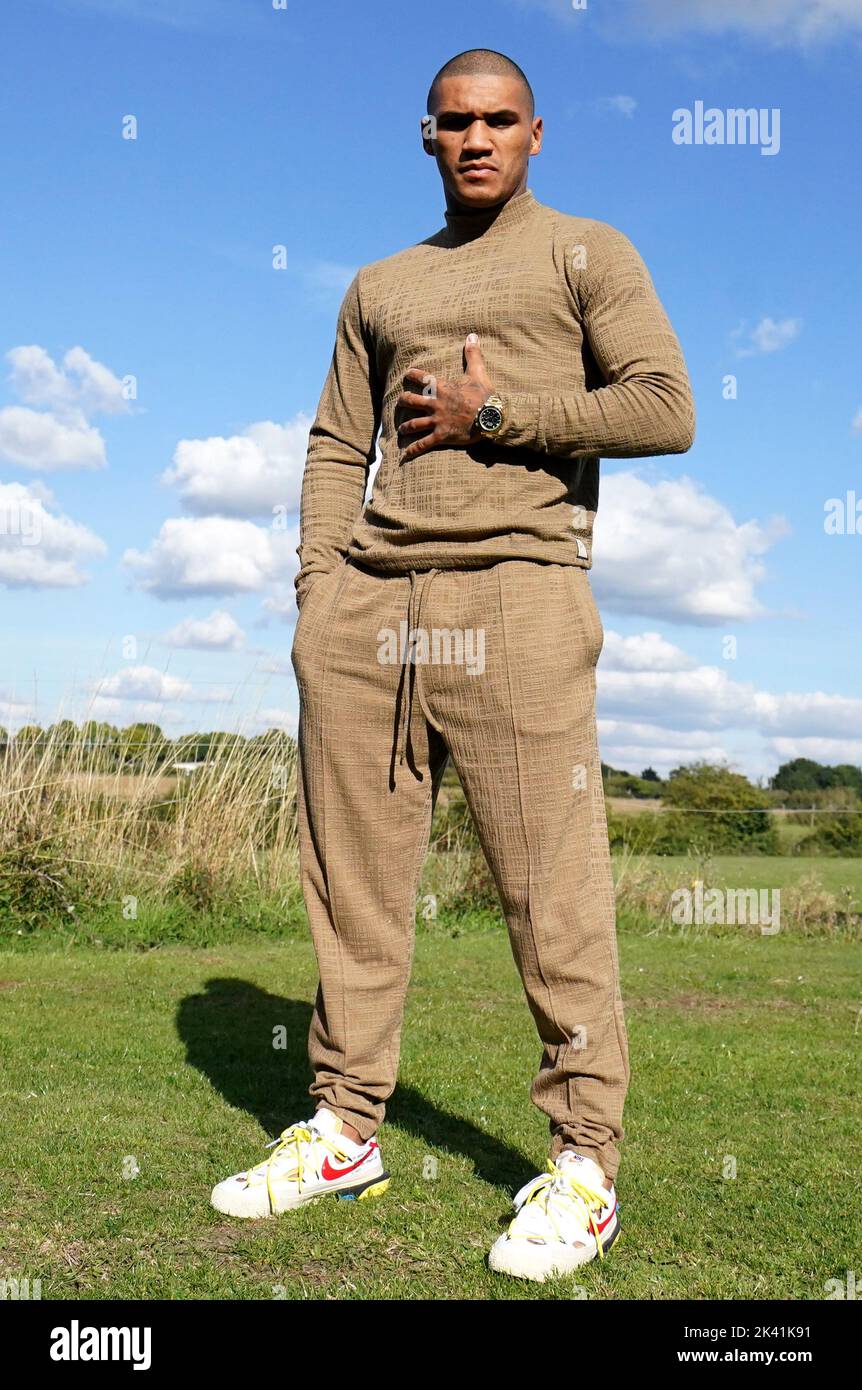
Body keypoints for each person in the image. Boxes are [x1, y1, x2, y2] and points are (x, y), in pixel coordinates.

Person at [212, 47, 695, 1284]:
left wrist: (502, 418)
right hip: (369, 613)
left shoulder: (586, 252)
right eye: (453, 123)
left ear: (538, 133)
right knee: (354, 890)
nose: (476, 139)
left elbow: (664, 405)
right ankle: (343, 1132)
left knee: (553, 896)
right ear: (424, 136)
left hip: (521, 593)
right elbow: (334, 443)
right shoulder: (378, 283)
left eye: (499, 121)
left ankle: (583, 1165)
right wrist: (319, 594)